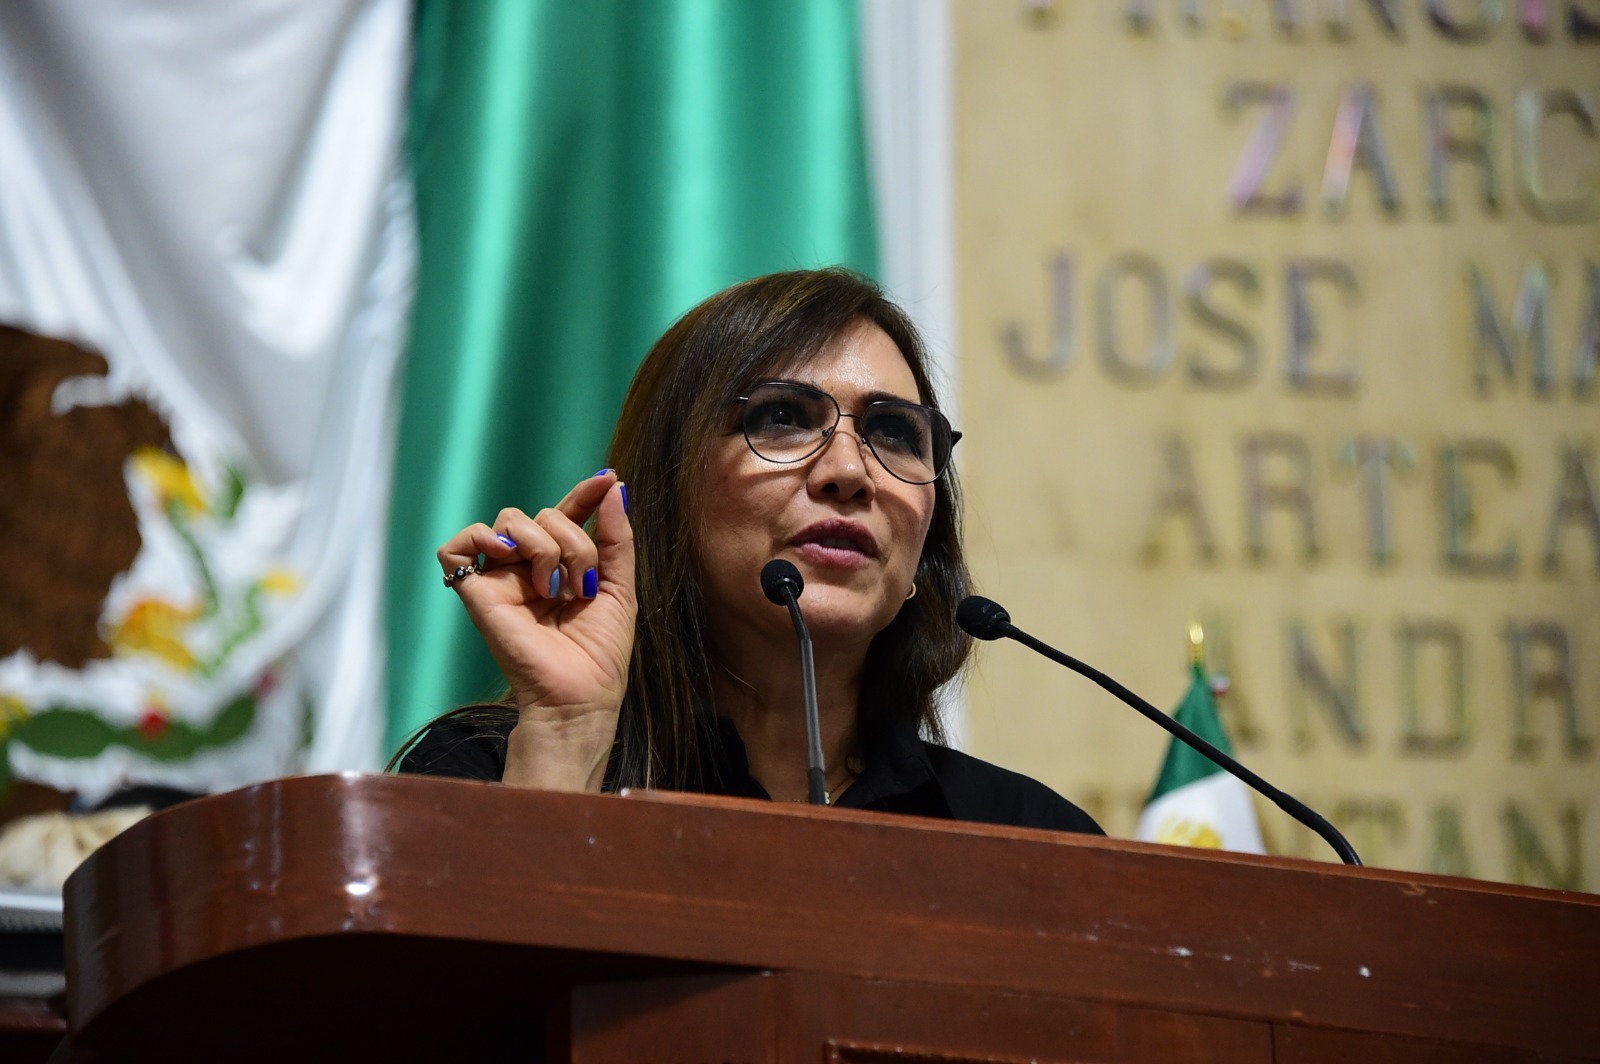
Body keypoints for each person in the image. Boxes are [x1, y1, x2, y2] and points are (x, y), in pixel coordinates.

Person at [398, 267, 1101, 835]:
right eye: (783, 417)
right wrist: (566, 738)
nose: (849, 473)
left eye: (893, 432)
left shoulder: (1033, 841)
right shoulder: (485, 776)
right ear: (670, 493)